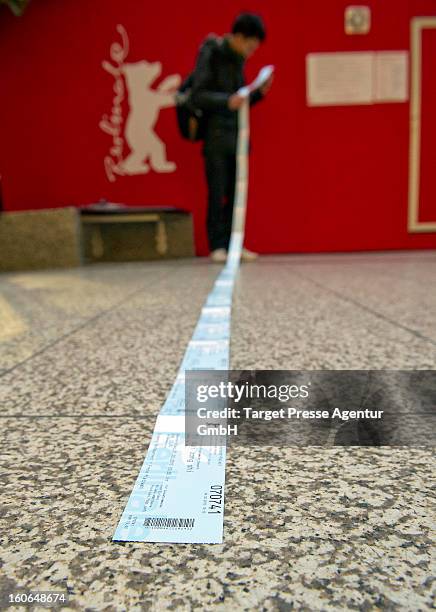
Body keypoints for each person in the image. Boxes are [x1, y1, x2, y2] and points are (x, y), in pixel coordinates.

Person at [191, 13, 273, 263]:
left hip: (237, 134)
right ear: (238, 37)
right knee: (217, 191)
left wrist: (258, 93)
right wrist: (226, 101)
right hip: (215, 134)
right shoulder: (212, 52)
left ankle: (233, 242)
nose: (250, 52)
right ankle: (217, 245)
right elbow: (198, 94)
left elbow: (240, 100)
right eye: (249, 46)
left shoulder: (238, 61)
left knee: (236, 192)